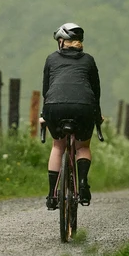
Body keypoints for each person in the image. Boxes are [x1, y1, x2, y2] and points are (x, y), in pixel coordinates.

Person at [41, 22, 102, 210]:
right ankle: (83, 185)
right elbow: (95, 91)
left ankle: (52, 195)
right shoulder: (89, 60)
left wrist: (45, 114)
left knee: (58, 146)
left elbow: (46, 90)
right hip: (83, 107)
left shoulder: (51, 59)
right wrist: (97, 115)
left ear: (61, 42)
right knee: (82, 146)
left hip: (55, 107)